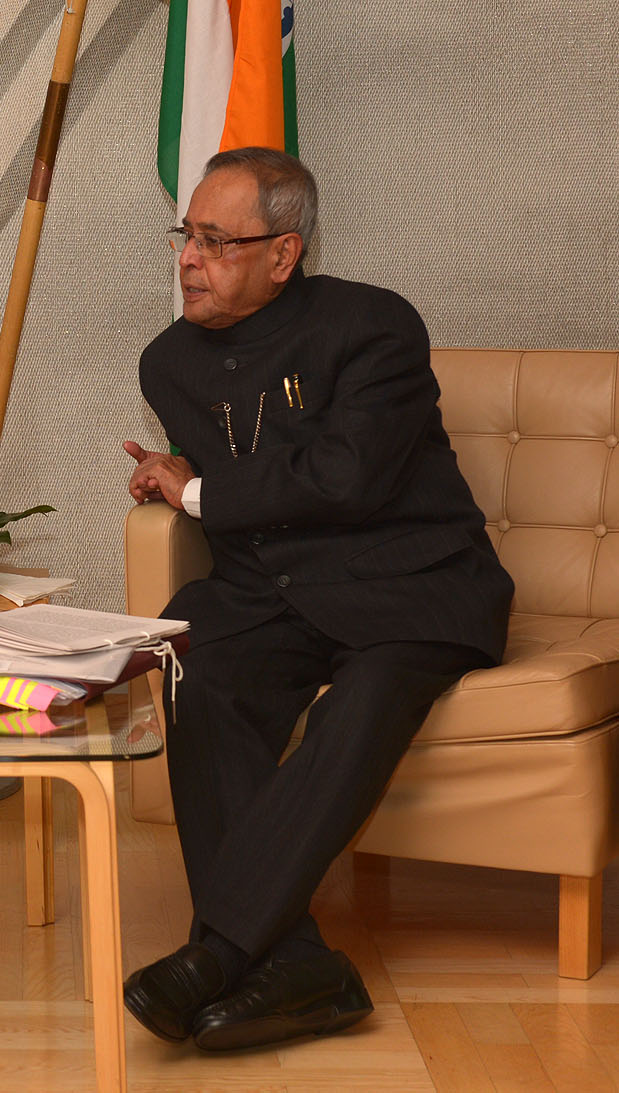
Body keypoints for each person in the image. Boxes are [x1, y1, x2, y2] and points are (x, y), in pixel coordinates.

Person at [120, 147, 513, 1052]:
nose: (187, 257)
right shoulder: (167, 361)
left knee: (364, 701)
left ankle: (217, 949)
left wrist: (194, 493)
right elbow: (252, 483)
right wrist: (177, 482)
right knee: (198, 662)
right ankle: (299, 965)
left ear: (283, 254)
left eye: (216, 241)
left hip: (410, 586)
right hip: (273, 593)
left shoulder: (374, 326)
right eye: (186, 235)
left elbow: (346, 481)